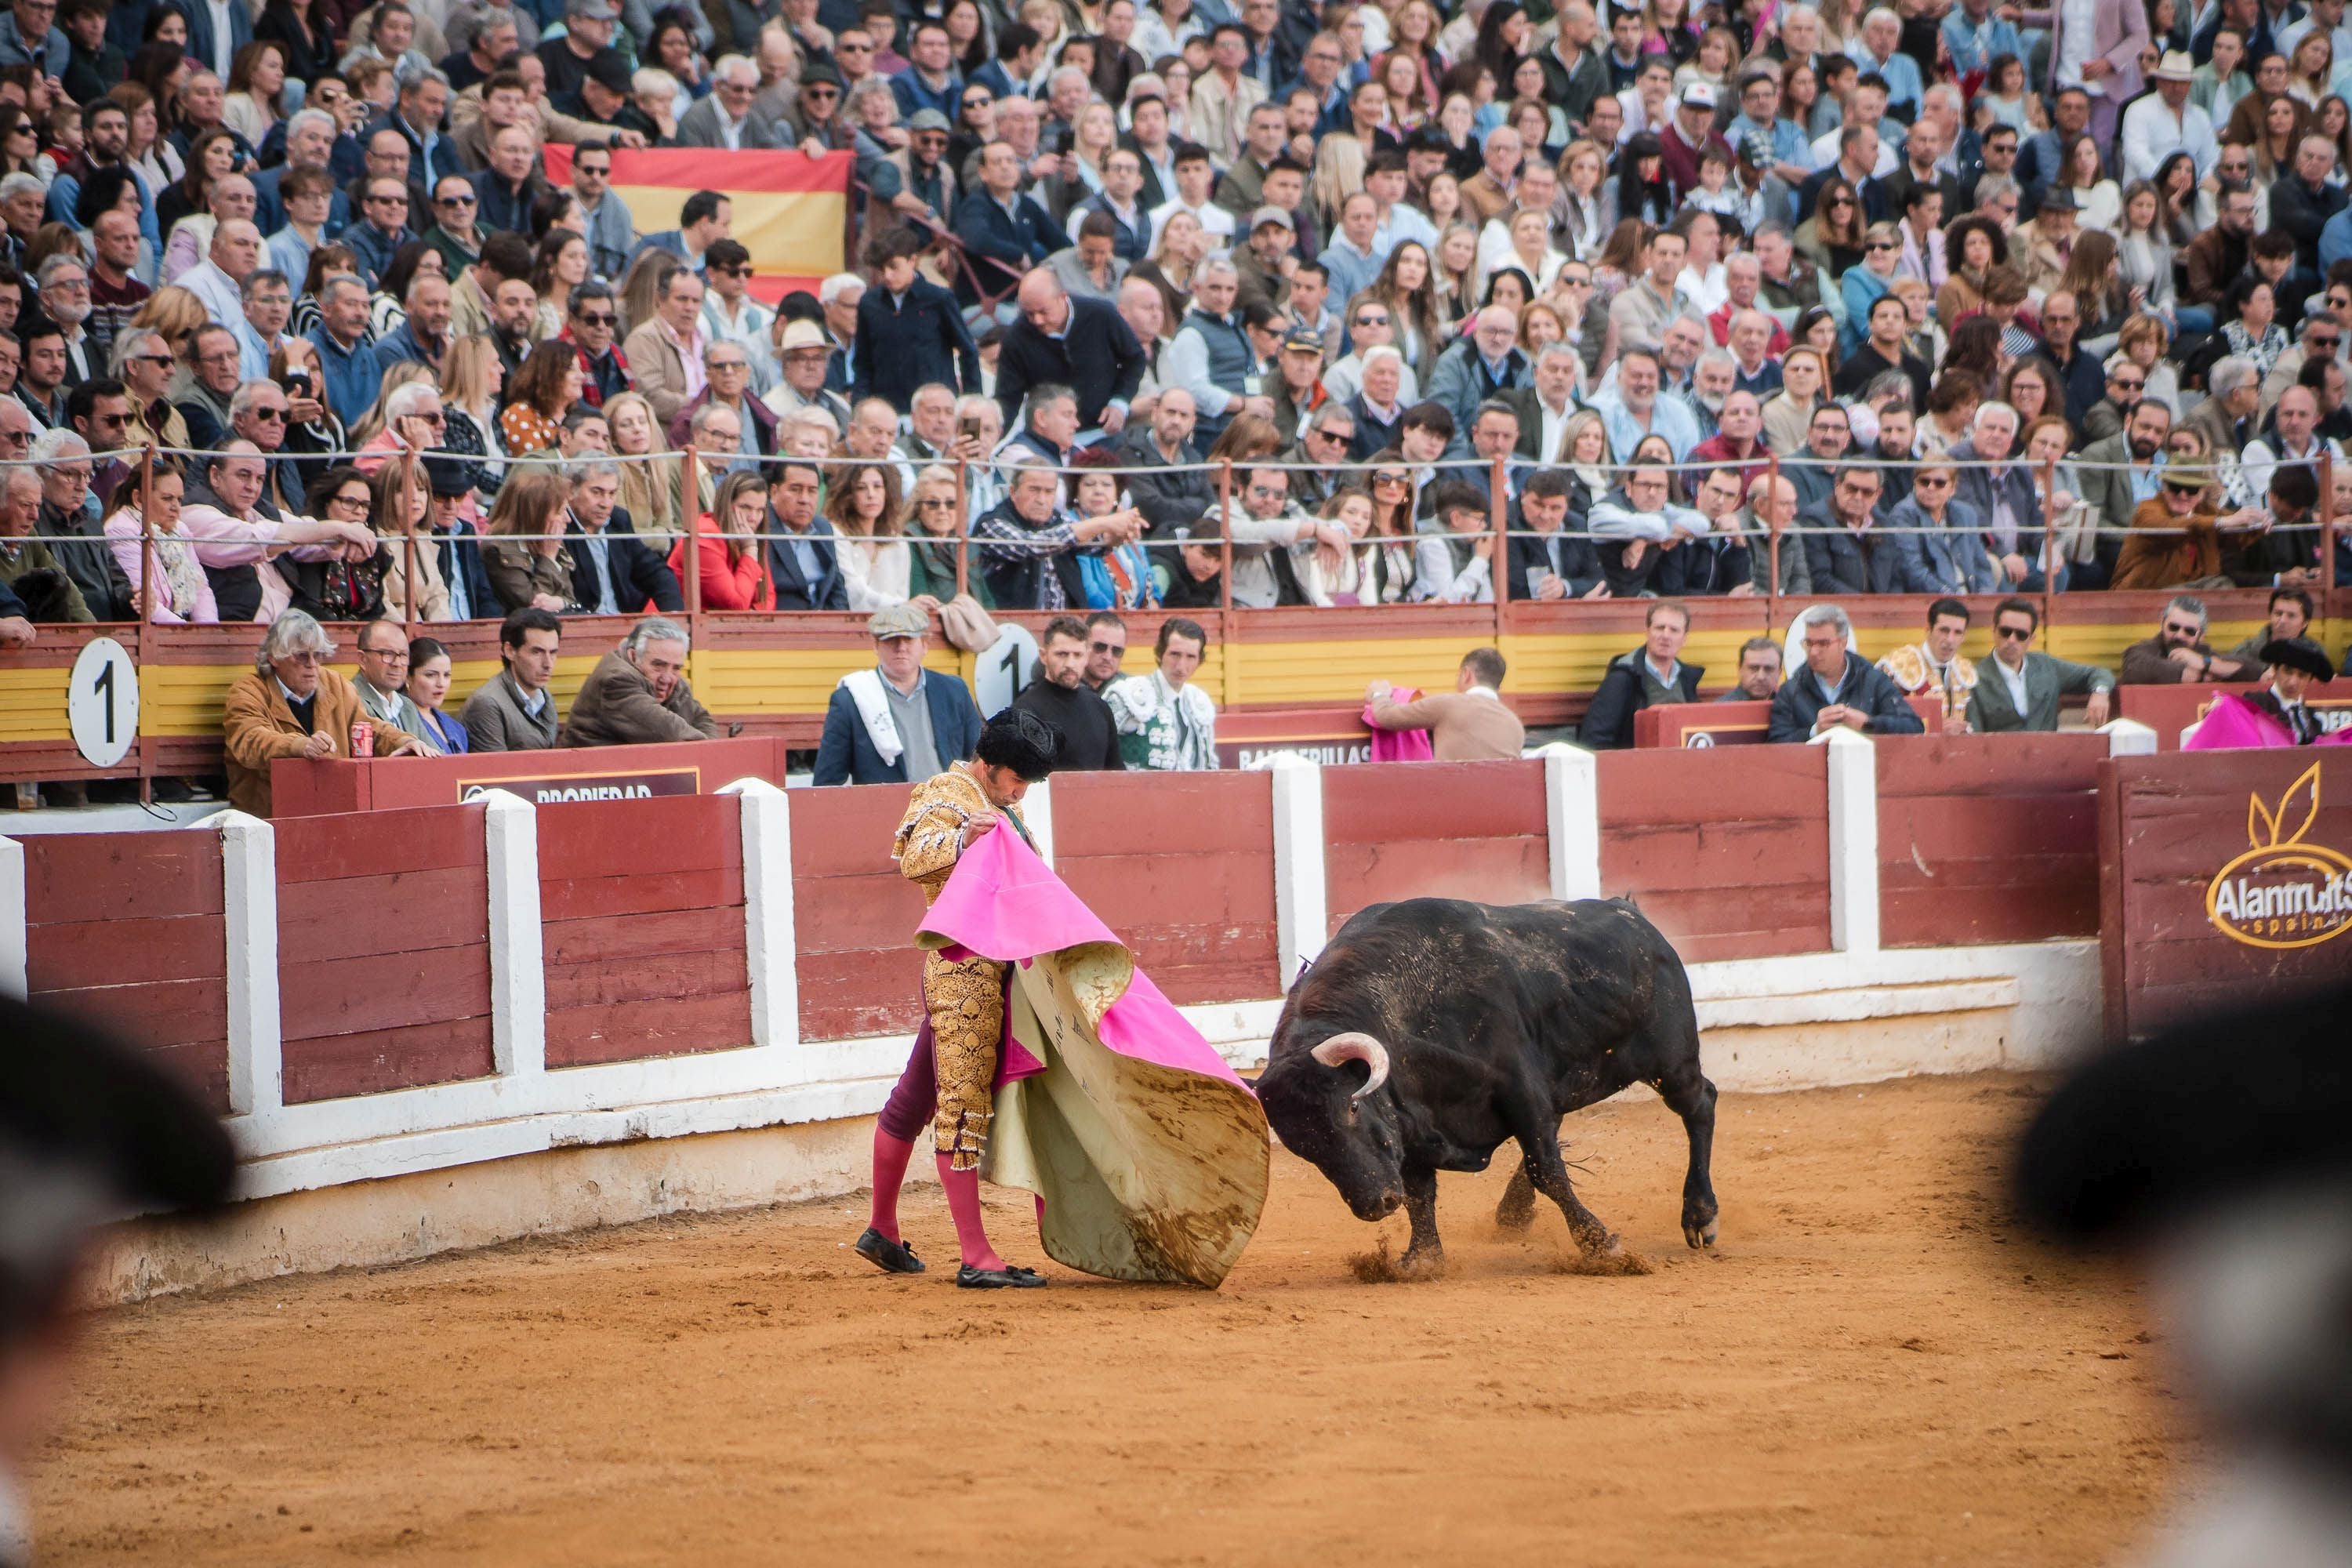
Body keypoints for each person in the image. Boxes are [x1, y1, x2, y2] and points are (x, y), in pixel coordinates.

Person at [856, 706, 1062, 1288]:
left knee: (915, 1097)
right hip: (963, 969)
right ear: (988, 764)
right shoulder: (948, 793)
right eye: (1016, 779)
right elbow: (913, 857)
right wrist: (958, 839)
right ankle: (976, 1255)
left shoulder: (1009, 810)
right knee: (964, 1106)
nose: (1021, 791)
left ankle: (881, 1229)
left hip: (1000, 970)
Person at [222, 608, 421, 816]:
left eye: (318, 655)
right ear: (274, 658)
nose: (312, 664)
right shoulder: (247, 691)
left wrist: (404, 742)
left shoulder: (335, 684)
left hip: (331, 811)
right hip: (269, 816)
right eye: (301, 656)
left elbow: (367, 727)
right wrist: (300, 745)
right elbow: (250, 741)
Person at [815, 604, 987, 786]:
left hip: (950, 805)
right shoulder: (851, 699)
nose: (901, 648)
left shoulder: (954, 690)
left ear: (925, 644)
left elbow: (979, 760)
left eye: (909, 639)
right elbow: (827, 781)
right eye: (892, 640)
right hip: (884, 809)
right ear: (876, 645)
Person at [1767, 604, 1929, 741]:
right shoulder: (1791, 690)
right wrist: (1814, 732)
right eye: (1809, 643)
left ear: (1843, 643)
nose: (1814, 651)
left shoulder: (1873, 680)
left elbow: (1913, 727)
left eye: (1823, 643)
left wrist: (1868, 724)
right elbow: (1776, 744)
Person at [561, 615, 721, 746]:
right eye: (658, 665)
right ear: (633, 656)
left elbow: (702, 719)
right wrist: (708, 751)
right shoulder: (616, 680)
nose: (667, 677)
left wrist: (708, 749)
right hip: (592, 776)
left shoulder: (674, 682)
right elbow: (667, 731)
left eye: (676, 668)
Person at [1965, 597, 2117, 733]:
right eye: (2006, 632)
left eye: (2021, 635)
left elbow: (2099, 673)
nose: (2012, 640)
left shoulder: (2046, 666)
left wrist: (2100, 692)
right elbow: (1976, 736)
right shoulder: (1974, 678)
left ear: (2031, 639)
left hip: (2048, 760)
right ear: (1993, 630)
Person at [1580, 598, 1703, 748]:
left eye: (1674, 630)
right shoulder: (1621, 680)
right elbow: (1594, 741)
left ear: (1684, 639)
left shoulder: (1686, 679)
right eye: (1659, 628)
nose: (1666, 635)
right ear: (1647, 632)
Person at [1364, 647, 1526, 760]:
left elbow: (1386, 716)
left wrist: (1379, 694)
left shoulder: (1448, 704)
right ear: (1498, 687)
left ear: (1466, 674)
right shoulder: (1515, 724)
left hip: (1453, 802)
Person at [2184, 634, 2347, 745]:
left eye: (2302, 675)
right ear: (2275, 670)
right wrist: (2220, 708)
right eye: (2288, 672)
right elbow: (2230, 713)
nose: (2293, 682)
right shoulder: (2255, 704)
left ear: (2310, 679)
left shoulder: (2312, 720)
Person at [1011, 614, 1124, 770]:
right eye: (1062, 654)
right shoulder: (1025, 711)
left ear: (1086, 658)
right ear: (1044, 656)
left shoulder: (1101, 708)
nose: (1070, 664)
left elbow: (1115, 773)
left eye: (1077, 655)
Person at [1103, 615, 1216, 770]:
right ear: (1161, 652)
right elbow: (1097, 750)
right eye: (1175, 654)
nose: (1181, 666)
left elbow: (1209, 763)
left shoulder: (1199, 701)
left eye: (1191, 657)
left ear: (1199, 660)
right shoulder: (1128, 694)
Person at [458, 605, 564, 751]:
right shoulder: (486, 704)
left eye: (552, 653)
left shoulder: (545, 697)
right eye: (537, 652)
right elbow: (496, 771)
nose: (548, 664)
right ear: (510, 651)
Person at [1878, 598, 1980, 731]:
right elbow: (1883, 723)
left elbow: (1978, 726)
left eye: (1958, 632)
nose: (1950, 640)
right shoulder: (1900, 666)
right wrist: (1933, 728)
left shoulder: (1964, 670)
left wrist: (1965, 728)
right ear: (1928, 629)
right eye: (1944, 630)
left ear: (1964, 636)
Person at [2120, 593, 2255, 683]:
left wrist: (2204, 663)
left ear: (2201, 635)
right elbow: (2135, 667)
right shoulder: (2140, 652)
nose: (2179, 635)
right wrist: (2202, 674)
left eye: (2189, 631)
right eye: (2173, 627)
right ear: (2162, 624)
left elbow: (2255, 670)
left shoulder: (2204, 654)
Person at [403, 635, 466, 754]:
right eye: (431, 675)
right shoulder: (397, 720)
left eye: (447, 675)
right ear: (408, 676)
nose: (441, 684)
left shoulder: (457, 728)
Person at [1717, 636, 1784, 702]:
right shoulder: (1721, 709)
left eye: (1768, 669)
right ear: (1740, 669)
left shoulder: (1789, 708)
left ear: (1779, 673)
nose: (1761, 677)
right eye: (1754, 668)